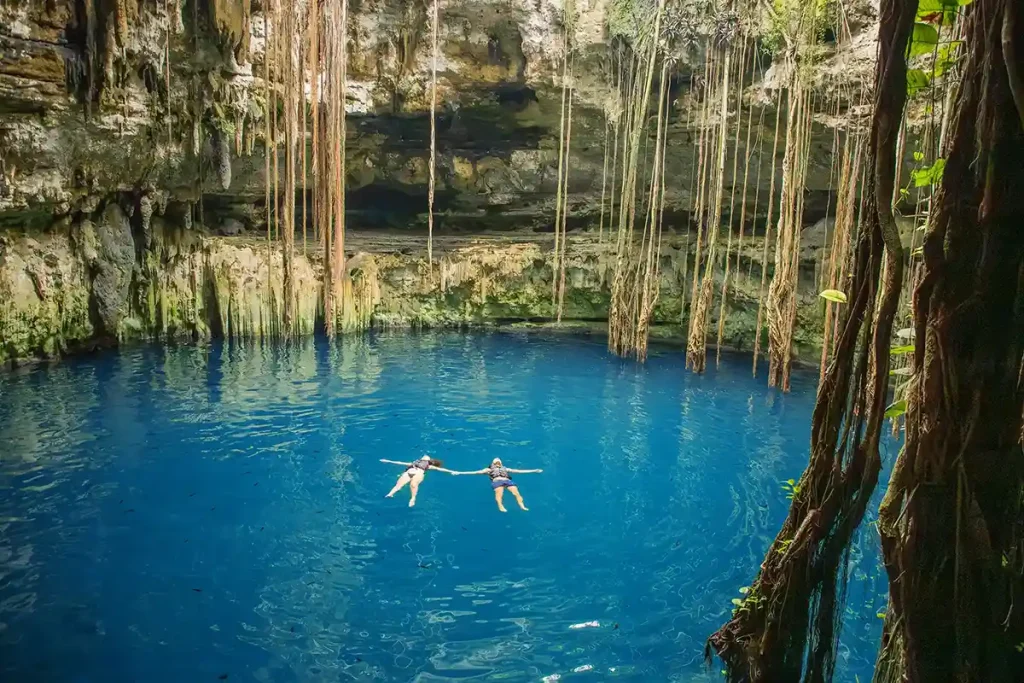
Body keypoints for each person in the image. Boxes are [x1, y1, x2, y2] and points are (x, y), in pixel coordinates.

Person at [452, 458, 543, 512]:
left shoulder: (506, 469)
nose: (497, 461)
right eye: (495, 461)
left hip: (508, 481)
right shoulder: (488, 470)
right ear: (492, 464)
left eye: (498, 460)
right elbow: (474, 472)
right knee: (499, 493)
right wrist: (459, 472)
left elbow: (520, 471)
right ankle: (500, 505)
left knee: (516, 493)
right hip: (497, 482)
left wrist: (534, 470)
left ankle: (522, 505)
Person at [380, 455, 455, 507]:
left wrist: (452, 471)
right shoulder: (413, 463)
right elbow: (400, 462)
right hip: (409, 472)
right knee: (398, 486)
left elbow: (440, 469)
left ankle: (413, 498)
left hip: (419, 473)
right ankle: (390, 494)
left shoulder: (429, 466)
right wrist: (387, 461)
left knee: (413, 485)